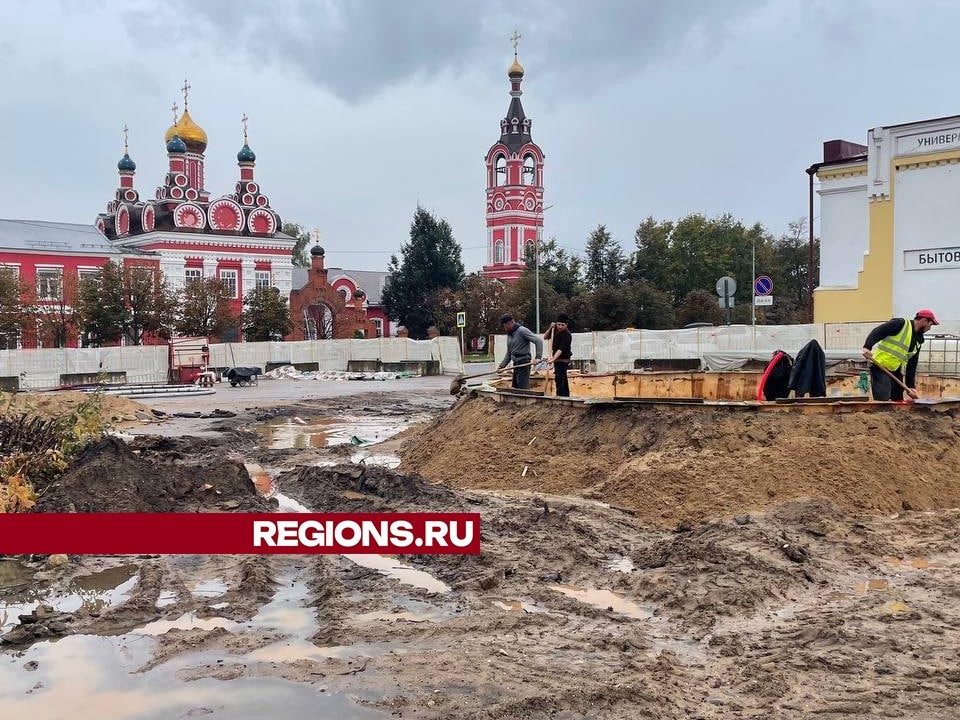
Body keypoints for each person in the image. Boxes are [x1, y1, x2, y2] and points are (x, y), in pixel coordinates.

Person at [861, 309, 938, 401]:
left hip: (897, 372)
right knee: (883, 399)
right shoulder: (901, 324)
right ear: (924, 320)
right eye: (930, 325)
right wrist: (867, 347)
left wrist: (911, 387)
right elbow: (878, 331)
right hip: (881, 367)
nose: (929, 328)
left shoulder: (918, 341)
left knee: (898, 400)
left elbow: (912, 365)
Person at [497, 314, 543, 390]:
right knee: (515, 387)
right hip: (516, 364)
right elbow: (509, 352)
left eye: (505, 326)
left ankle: (527, 400)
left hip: (524, 363)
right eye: (504, 326)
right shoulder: (510, 334)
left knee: (523, 388)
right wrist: (502, 366)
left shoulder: (522, 331)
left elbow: (538, 341)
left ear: (511, 322)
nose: (505, 328)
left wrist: (538, 357)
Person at [543, 313, 573, 397]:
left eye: (562, 325)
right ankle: (565, 396)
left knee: (559, 378)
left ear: (566, 325)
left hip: (563, 359)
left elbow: (560, 350)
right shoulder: (554, 329)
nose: (560, 327)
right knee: (562, 378)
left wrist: (552, 359)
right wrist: (550, 327)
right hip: (556, 359)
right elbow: (545, 337)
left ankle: (560, 396)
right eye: (558, 324)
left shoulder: (567, 335)